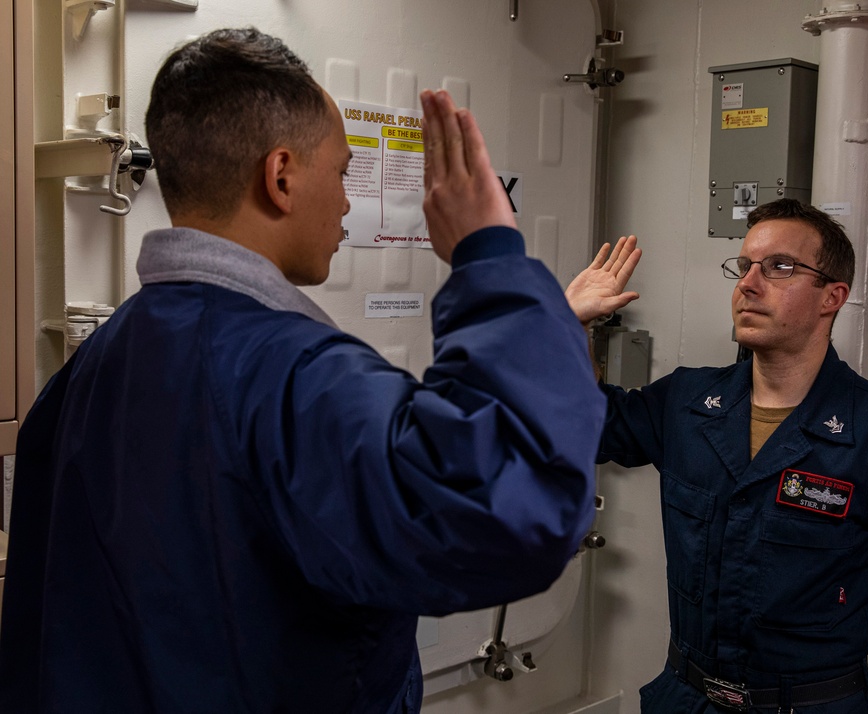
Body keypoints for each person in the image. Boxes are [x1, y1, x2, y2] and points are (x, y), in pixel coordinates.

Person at [0, 28, 612, 713]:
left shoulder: (89, 371)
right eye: (343, 172)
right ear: (281, 175)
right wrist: (489, 256)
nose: (348, 201)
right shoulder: (294, 377)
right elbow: (514, 515)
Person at [566, 199, 868, 713]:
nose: (748, 283)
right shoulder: (686, 404)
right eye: (744, 267)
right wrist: (574, 328)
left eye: (779, 267)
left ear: (832, 297)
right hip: (685, 698)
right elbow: (589, 426)